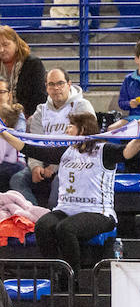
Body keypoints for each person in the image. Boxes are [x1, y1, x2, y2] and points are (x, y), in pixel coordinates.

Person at [0, 113, 140, 273]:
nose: (67, 129)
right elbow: (28, 148)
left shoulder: (104, 150)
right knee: (43, 226)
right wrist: (3, 133)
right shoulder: (65, 150)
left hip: (98, 212)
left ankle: (72, 279)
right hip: (66, 209)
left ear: (82, 129)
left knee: (65, 228)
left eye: (71, 126)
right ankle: (55, 272)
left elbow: (127, 152)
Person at [9, 66, 92, 205]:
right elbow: (34, 142)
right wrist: (35, 166)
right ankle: (35, 214)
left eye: (60, 83)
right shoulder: (41, 111)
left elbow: (83, 144)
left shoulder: (82, 107)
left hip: (73, 163)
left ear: (69, 84)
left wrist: (54, 167)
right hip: (43, 159)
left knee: (58, 186)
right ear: (46, 87)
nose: (56, 88)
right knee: (17, 180)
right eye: (51, 84)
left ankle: (52, 218)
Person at [0, 27, 43, 118]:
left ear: (16, 44)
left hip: (28, 117)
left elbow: (39, 97)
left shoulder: (33, 64)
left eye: (6, 44)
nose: (1, 50)